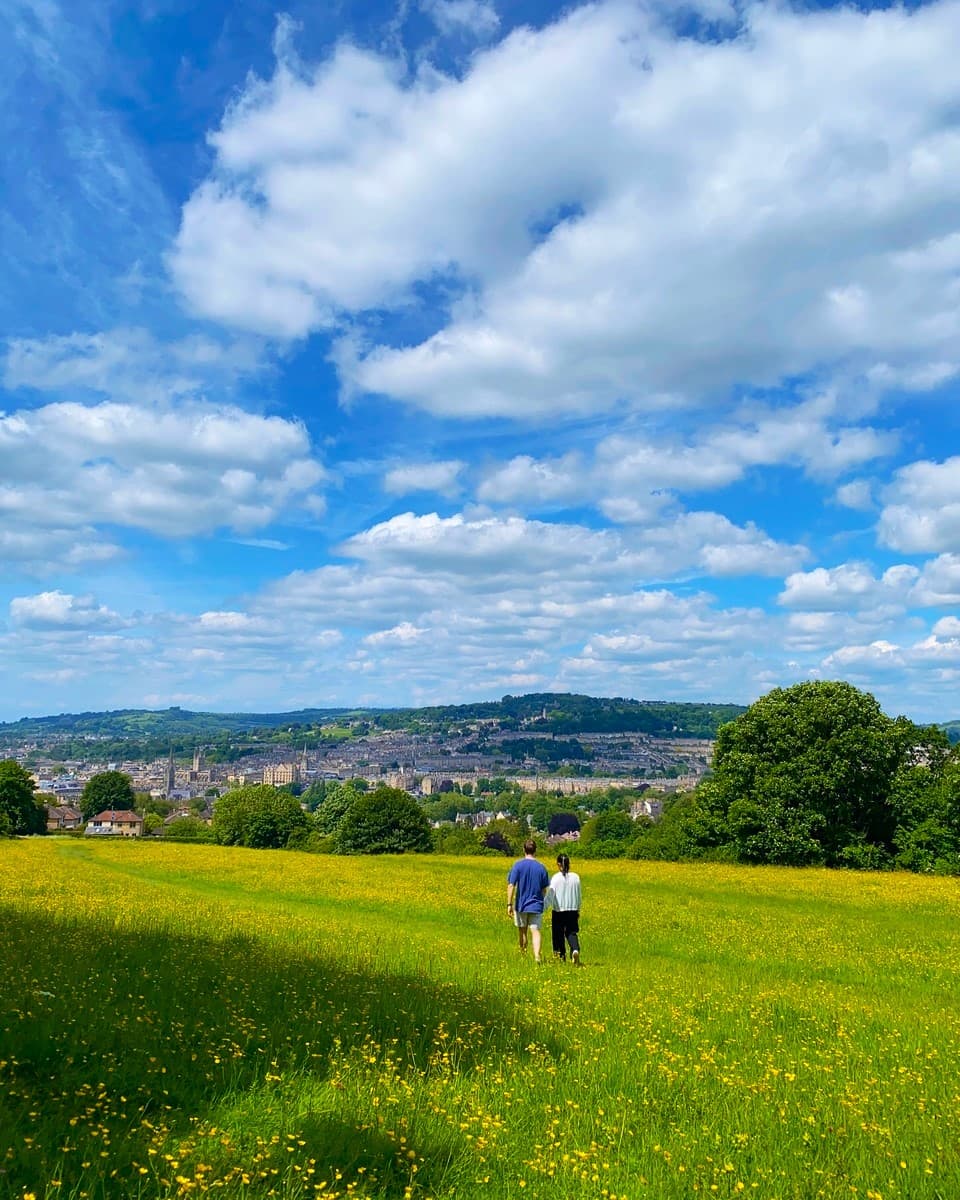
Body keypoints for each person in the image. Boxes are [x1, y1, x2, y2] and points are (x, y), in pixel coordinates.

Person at [506, 839, 549, 963]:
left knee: (522, 931)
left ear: (524, 850)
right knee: (535, 930)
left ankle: (523, 955)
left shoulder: (518, 865)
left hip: (521, 905)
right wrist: (541, 899)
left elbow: (511, 885)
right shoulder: (541, 867)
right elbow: (545, 889)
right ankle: (537, 956)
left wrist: (509, 904)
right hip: (536, 905)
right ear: (535, 850)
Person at [549, 853, 582, 964]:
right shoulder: (576, 877)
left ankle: (560, 956)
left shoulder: (556, 878)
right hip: (572, 909)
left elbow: (551, 894)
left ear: (558, 864)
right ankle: (575, 949)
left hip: (559, 910)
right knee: (571, 932)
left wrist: (543, 906)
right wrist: (578, 908)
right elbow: (579, 895)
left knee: (558, 934)